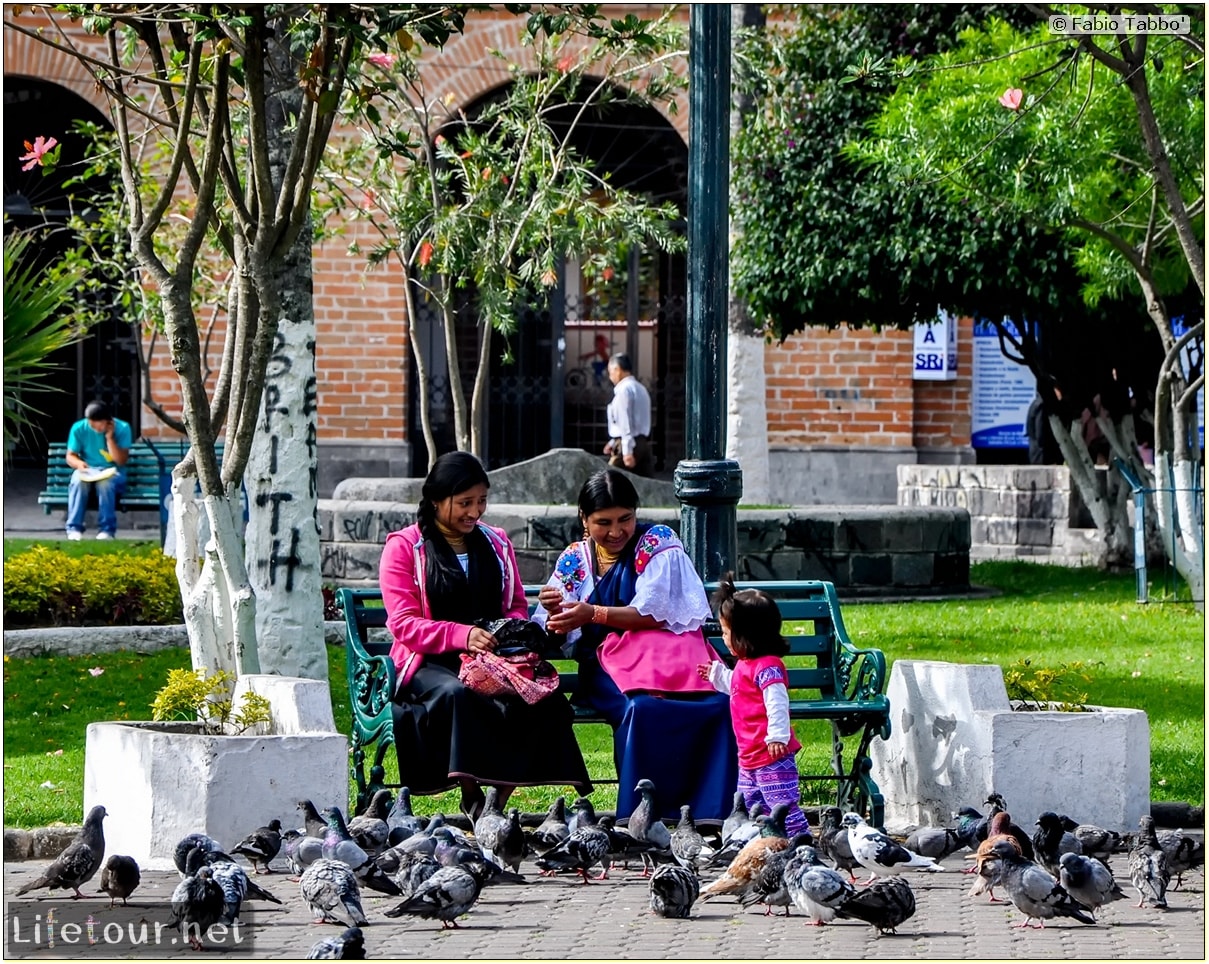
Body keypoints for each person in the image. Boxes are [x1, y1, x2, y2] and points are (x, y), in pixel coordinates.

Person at [379, 451, 591, 820]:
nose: (475, 512)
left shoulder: (496, 542)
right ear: (435, 500)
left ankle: (498, 801)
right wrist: (463, 635)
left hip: (493, 657)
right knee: (459, 694)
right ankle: (471, 792)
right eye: (464, 503)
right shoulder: (405, 548)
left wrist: (501, 633)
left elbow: (514, 606)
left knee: (537, 697)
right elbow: (404, 624)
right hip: (429, 661)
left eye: (481, 501)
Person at [532, 469, 738, 820]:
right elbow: (552, 633)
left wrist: (592, 612)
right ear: (584, 519)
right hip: (606, 669)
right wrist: (555, 614)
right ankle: (646, 814)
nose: (616, 532)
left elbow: (655, 612)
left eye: (625, 519)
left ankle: (709, 811)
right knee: (640, 709)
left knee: (718, 705)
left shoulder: (659, 542)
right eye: (603, 522)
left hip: (674, 662)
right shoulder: (574, 561)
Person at [697, 573, 810, 837]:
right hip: (748, 753)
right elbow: (738, 688)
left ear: (747, 635)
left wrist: (778, 735)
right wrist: (717, 676)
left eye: (726, 632)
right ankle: (767, 842)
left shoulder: (768, 667)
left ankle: (798, 840)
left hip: (771, 753)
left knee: (781, 803)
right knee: (750, 803)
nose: (723, 638)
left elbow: (777, 703)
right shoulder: (744, 665)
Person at [64, 400, 132, 540]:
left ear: (108, 421)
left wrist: (110, 439)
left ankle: (107, 530)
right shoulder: (79, 428)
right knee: (77, 481)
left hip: (113, 472)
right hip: (88, 470)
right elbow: (70, 456)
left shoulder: (123, 428)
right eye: (92, 424)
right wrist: (79, 464)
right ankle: (74, 529)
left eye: (99, 425)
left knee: (105, 483)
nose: (96, 428)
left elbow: (121, 460)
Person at [603, 353, 653, 477]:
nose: (610, 376)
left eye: (610, 372)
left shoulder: (624, 391)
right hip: (642, 442)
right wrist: (612, 442)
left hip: (628, 444)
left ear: (617, 369)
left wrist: (627, 451)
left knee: (610, 481)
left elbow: (625, 422)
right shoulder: (641, 388)